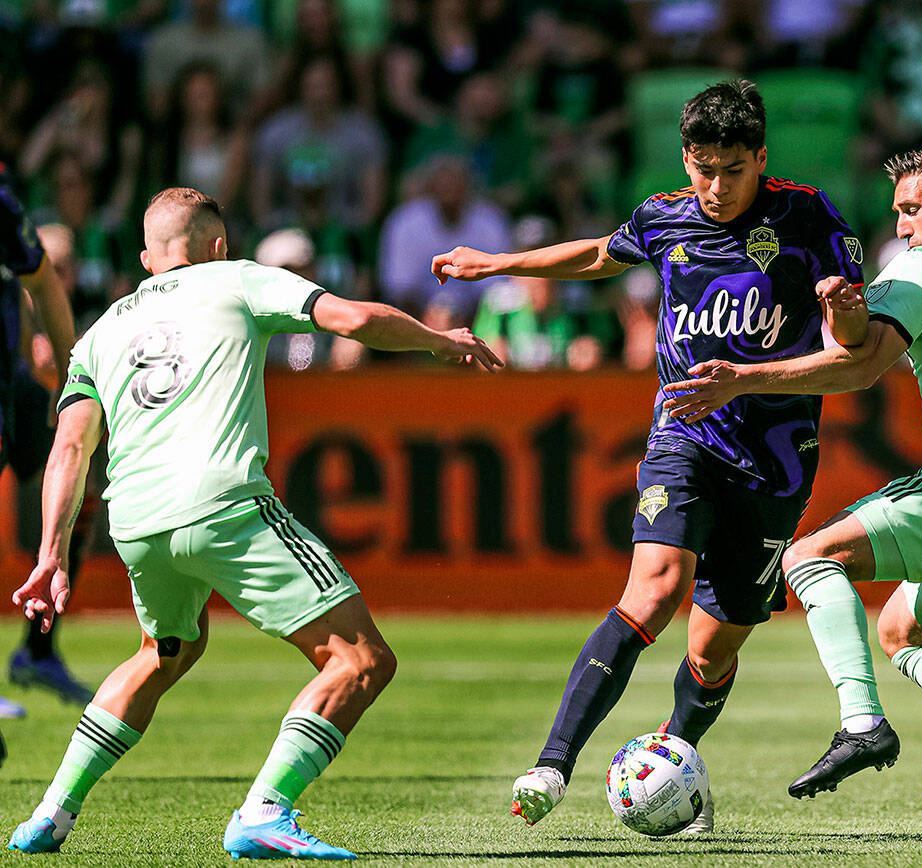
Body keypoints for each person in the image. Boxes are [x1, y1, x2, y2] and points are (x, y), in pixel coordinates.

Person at [8, 187, 502, 859]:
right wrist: (437, 340)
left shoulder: (100, 333)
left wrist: (51, 553)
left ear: (149, 256)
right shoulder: (235, 277)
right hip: (222, 504)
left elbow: (70, 446)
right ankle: (264, 811)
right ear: (217, 244)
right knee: (360, 660)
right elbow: (354, 319)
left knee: (163, 651)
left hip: (137, 522)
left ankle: (50, 813)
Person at [433, 80, 865, 833]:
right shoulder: (665, 216)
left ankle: (671, 760)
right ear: (686, 159)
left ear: (761, 158)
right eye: (702, 168)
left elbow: (856, 349)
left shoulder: (807, 215)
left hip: (776, 461)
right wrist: (497, 264)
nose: (716, 187)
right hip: (684, 438)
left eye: (733, 170)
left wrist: (847, 314)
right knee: (654, 590)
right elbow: (601, 254)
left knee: (713, 648)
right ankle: (552, 764)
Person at [662, 140, 922, 835]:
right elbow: (858, 338)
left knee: (809, 556)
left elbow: (856, 369)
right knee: (904, 630)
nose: (901, 225)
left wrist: (744, 377)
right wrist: (846, 313)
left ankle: (862, 723)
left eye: (913, 209)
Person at [1, 164, 79, 719]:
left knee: (82, 495)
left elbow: (39, 279)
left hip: (12, 382)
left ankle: (39, 650)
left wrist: (74, 379)